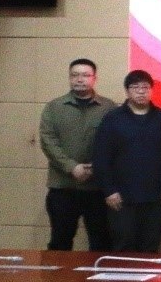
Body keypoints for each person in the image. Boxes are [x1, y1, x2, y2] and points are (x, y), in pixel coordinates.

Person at [92, 70, 161, 252]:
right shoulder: (113, 119)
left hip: (155, 197)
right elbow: (101, 157)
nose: (141, 91)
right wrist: (109, 190)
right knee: (123, 246)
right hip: (121, 198)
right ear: (127, 91)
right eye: (135, 87)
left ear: (151, 90)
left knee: (150, 247)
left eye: (145, 87)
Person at [39, 58, 117, 251]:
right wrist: (71, 167)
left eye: (85, 75)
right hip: (63, 187)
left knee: (101, 243)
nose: (79, 79)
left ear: (94, 78)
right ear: (69, 78)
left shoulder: (109, 108)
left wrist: (96, 168)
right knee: (60, 242)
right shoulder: (54, 107)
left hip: (97, 189)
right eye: (75, 75)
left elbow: (116, 144)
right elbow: (48, 141)